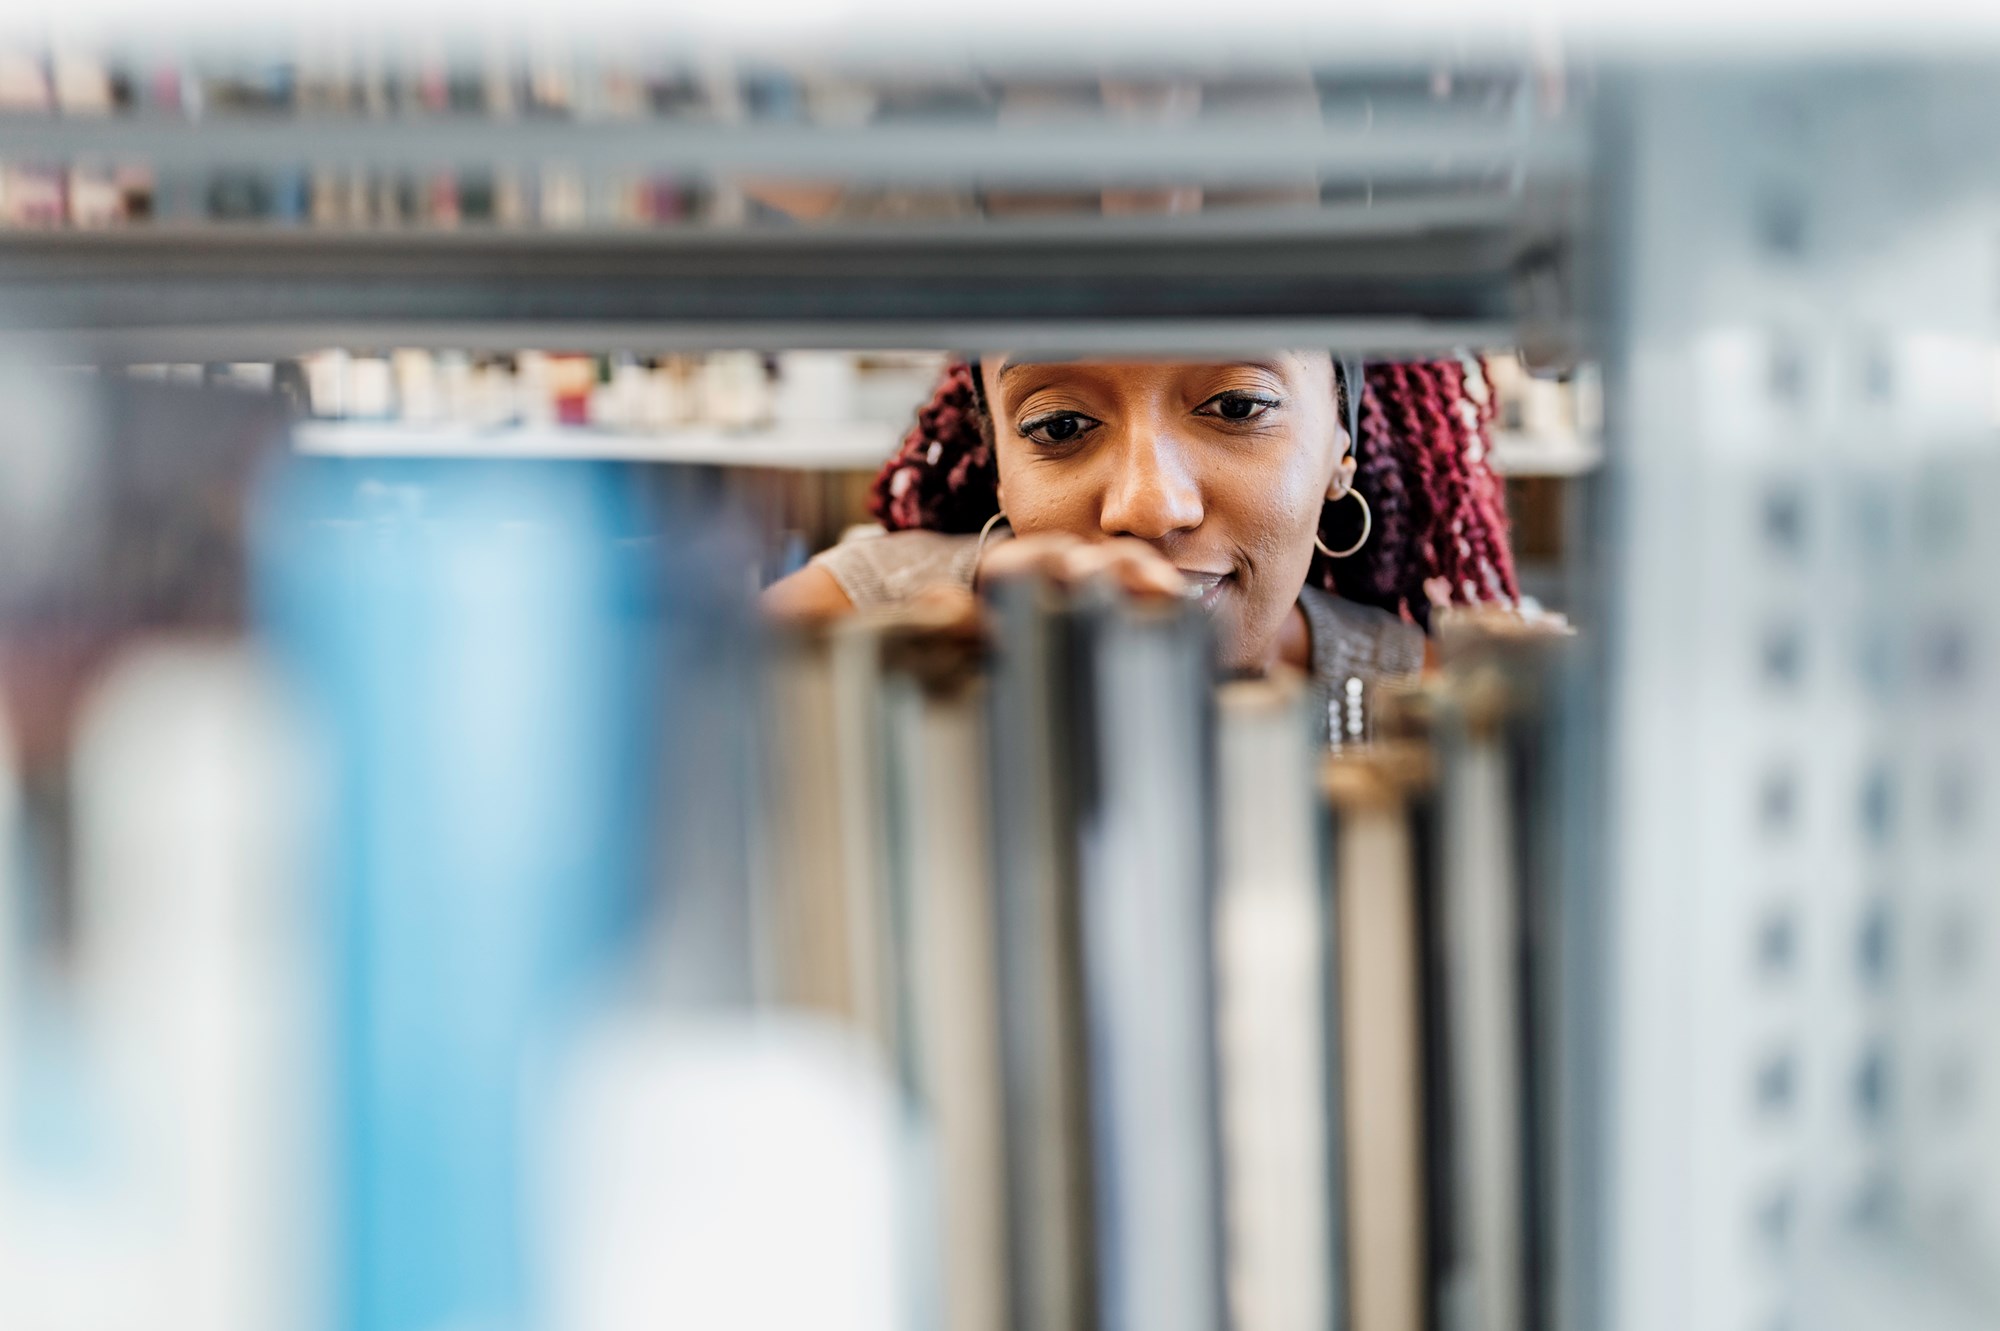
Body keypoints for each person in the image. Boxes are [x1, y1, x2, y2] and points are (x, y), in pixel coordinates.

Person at [762, 352, 1518, 744]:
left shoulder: (1433, 709)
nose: (1149, 506)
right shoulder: (829, 634)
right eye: (1059, 425)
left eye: (1237, 405)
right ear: (1000, 471)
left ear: (1338, 452)